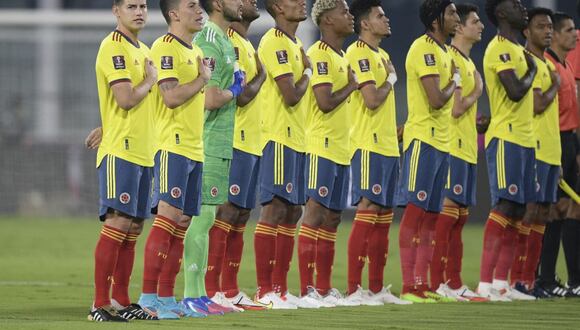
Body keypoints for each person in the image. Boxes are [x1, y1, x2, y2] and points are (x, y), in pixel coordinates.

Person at [135, 0, 210, 319]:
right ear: (174, 14)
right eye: (192, 5)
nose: (200, 10)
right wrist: (202, 80)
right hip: (171, 146)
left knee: (181, 225)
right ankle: (148, 296)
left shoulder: (193, 51)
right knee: (166, 220)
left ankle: (167, 297)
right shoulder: (165, 47)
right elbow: (170, 96)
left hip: (194, 148)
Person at [89, 0, 158, 322]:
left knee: (132, 228)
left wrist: (107, 124)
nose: (139, 11)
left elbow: (140, 106)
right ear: (116, 11)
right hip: (122, 152)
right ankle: (99, 305)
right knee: (118, 223)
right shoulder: (112, 47)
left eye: (143, 5)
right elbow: (127, 98)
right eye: (131, 6)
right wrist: (149, 81)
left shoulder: (143, 50)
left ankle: (121, 300)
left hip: (144, 152)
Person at [181, 0, 246, 315]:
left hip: (219, 141)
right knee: (201, 217)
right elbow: (208, 98)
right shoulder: (208, 37)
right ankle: (190, 294)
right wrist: (235, 90)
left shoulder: (224, 39)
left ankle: (200, 295)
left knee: (207, 217)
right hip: (206, 139)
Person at [203, 0, 268, 310]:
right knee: (227, 213)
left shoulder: (243, 43)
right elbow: (241, 95)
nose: (250, 1)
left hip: (252, 140)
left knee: (241, 216)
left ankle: (230, 290)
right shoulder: (227, 41)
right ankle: (212, 288)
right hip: (234, 139)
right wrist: (261, 77)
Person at [344, 0, 410, 305]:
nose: (386, 19)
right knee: (368, 208)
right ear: (365, 24)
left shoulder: (381, 54)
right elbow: (371, 99)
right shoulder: (358, 52)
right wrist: (391, 80)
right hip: (367, 144)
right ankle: (355, 289)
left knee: (384, 214)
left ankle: (376, 288)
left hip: (386, 144)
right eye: (380, 16)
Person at [396, 0, 460, 303]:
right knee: (416, 213)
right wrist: (455, 82)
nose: (456, 18)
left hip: (443, 142)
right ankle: (410, 285)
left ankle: (424, 285)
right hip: (424, 139)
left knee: (433, 216)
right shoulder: (423, 48)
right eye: (451, 13)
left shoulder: (444, 51)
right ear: (436, 19)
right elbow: (436, 98)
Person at [296, 0, 358, 307]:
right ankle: (307, 289)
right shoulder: (319, 54)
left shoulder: (341, 55)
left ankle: (323, 288)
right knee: (316, 215)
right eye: (344, 12)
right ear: (327, 19)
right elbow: (324, 101)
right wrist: (352, 85)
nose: (350, 17)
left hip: (341, 150)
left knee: (333, 219)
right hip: (321, 147)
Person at [477, 0, 537, 301]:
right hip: (507, 138)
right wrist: (533, 71)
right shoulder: (498, 48)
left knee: (518, 211)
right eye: (514, 5)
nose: (522, 7)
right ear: (501, 14)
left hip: (526, 140)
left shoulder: (518, 51)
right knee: (504, 207)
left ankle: (503, 283)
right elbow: (515, 91)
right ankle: (485, 283)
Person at [254, 0, 312, 309]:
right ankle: (265, 291)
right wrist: (309, 73)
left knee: (292, 212)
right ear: (277, 6)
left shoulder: (296, 43)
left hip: (297, 139)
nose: (302, 2)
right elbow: (290, 94)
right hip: (277, 137)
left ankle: (280, 289)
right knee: (274, 209)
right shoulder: (274, 40)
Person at [429, 2, 486, 302]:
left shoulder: (467, 62)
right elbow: (455, 107)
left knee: (460, 217)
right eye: (475, 21)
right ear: (460, 27)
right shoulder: (451, 58)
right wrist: (478, 90)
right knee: (447, 218)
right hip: (451, 147)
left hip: (466, 148)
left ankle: (454, 282)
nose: (481, 26)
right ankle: (440, 282)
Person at [537, 11, 580, 298]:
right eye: (569, 30)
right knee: (551, 215)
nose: (575, 33)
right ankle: (544, 278)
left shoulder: (564, 65)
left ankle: (569, 279)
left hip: (569, 142)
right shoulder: (548, 66)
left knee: (570, 213)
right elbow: (543, 114)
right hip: (553, 143)